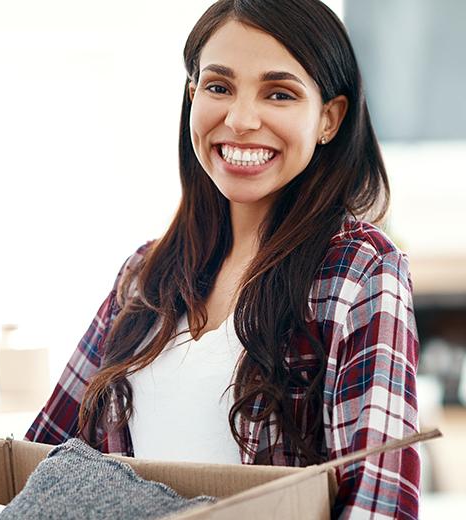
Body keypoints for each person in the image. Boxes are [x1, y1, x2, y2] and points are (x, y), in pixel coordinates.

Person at [24, 1, 421, 518]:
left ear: (329, 118)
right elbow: (43, 463)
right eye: (219, 87)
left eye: (278, 93)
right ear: (193, 95)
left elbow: (380, 500)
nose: (240, 119)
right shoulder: (143, 278)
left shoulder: (360, 272)